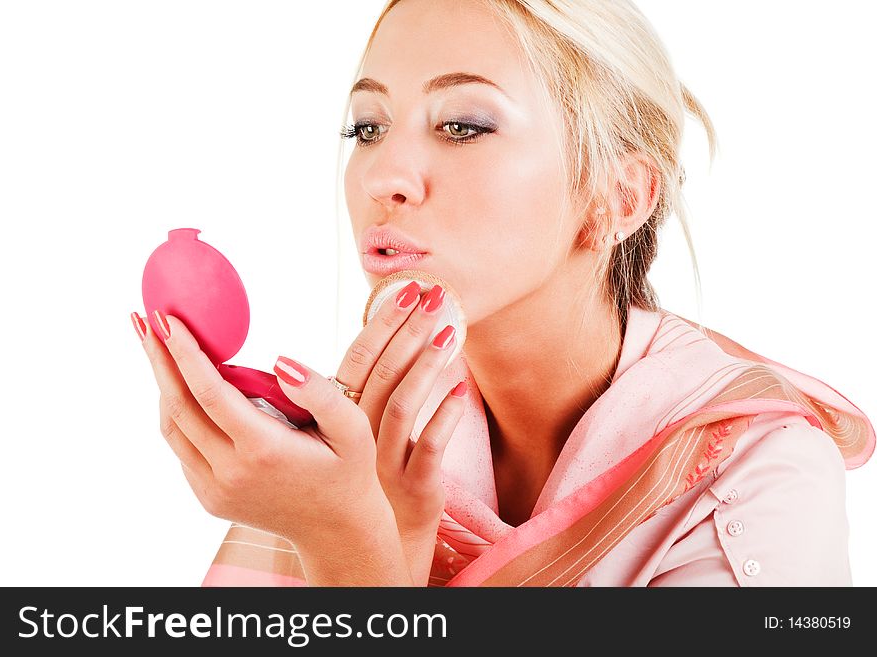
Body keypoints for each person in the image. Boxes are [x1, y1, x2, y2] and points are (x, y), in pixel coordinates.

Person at [132, 0, 874, 586]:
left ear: (619, 196)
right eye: (367, 127)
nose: (386, 176)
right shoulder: (374, 435)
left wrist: (346, 544)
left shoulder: (762, 475)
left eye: (462, 125)